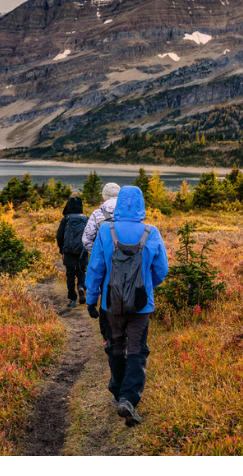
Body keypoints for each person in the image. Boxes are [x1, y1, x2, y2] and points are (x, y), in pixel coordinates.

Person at [84, 185, 168, 426]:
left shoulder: (104, 230)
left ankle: (117, 391)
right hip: (141, 306)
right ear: (141, 204)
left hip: (111, 303)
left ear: (120, 203)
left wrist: (92, 299)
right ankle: (129, 399)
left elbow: (96, 268)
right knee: (137, 349)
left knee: (115, 346)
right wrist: (145, 286)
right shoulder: (151, 232)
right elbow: (162, 269)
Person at [55, 196, 88, 308]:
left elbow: (59, 236)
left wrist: (61, 249)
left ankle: (72, 299)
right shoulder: (85, 219)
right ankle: (81, 287)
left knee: (70, 274)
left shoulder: (66, 219)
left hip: (68, 251)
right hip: (82, 251)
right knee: (81, 272)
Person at [82, 182, 120, 252]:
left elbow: (86, 239)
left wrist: (97, 253)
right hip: (126, 258)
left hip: (103, 256)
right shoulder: (129, 213)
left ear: (104, 196)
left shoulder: (97, 213)